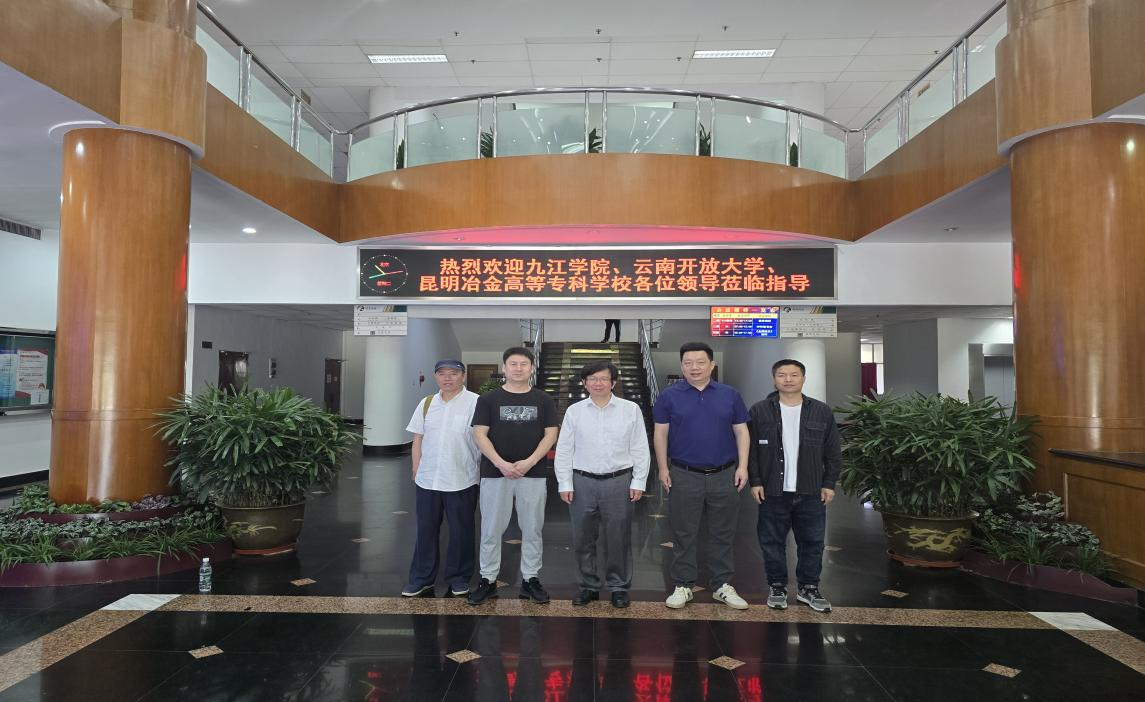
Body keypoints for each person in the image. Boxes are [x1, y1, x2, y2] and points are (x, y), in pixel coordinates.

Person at [652, 341, 751, 610]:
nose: (694, 367)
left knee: (723, 532)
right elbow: (660, 433)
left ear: (712, 364)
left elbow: (742, 431)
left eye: (700, 362)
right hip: (684, 474)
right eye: (688, 363)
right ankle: (683, 585)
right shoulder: (669, 396)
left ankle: (722, 585)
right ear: (682, 365)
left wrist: (742, 466)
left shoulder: (730, 395)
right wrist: (663, 468)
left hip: (724, 474)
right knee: (683, 532)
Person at [748, 359, 842, 613]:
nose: (788, 379)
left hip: (811, 490)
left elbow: (833, 452)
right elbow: (751, 451)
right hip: (772, 490)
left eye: (794, 375)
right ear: (774, 379)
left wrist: (829, 483)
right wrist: (755, 481)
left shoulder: (821, 411)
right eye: (782, 375)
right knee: (771, 542)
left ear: (803, 378)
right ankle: (777, 586)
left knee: (812, 542)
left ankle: (809, 588)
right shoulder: (759, 411)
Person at [554, 360, 650, 609]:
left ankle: (619, 586)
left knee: (618, 537)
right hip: (582, 481)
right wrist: (565, 482)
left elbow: (640, 447)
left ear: (613, 382)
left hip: (619, 481)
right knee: (582, 537)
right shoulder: (574, 411)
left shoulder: (630, 410)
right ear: (584, 383)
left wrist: (639, 480)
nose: (598, 383)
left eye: (604, 378)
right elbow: (564, 449)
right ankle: (588, 585)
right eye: (592, 379)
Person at [468, 346, 560, 605]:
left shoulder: (543, 399)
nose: (518, 368)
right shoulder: (488, 400)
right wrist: (501, 464)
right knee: (490, 528)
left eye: (523, 364)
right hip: (495, 473)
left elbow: (551, 434)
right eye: (513, 364)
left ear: (531, 368)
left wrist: (530, 462)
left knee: (532, 528)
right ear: (504, 368)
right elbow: (479, 434)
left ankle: (530, 579)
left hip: (533, 474)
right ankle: (488, 580)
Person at [401, 359, 481, 598]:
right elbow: (418, 438)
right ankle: (422, 578)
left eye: (453, 373)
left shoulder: (476, 402)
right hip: (428, 479)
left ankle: (459, 577)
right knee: (425, 531)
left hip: (462, 478)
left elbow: (483, 439)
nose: (447, 378)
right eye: (442, 373)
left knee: (461, 532)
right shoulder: (427, 403)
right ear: (436, 377)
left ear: (463, 376)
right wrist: (416, 466)